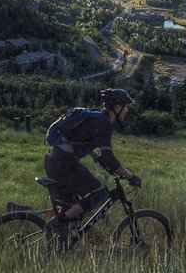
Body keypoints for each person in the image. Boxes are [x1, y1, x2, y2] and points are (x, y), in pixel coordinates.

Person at [45, 88, 141, 245]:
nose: (127, 110)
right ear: (117, 107)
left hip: (53, 160)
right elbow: (109, 157)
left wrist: (99, 161)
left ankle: (61, 247)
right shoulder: (103, 122)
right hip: (64, 163)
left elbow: (85, 144)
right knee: (100, 193)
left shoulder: (96, 118)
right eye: (126, 106)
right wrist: (130, 176)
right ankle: (57, 223)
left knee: (73, 208)